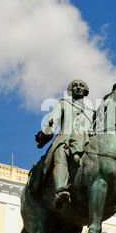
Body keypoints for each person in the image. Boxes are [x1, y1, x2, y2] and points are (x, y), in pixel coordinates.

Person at [35, 79, 94, 209]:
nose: (78, 87)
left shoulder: (92, 113)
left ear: (86, 91)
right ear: (70, 90)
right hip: (64, 140)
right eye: (75, 86)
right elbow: (52, 122)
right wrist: (44, 134)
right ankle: (60, 190)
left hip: (85, 144)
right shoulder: (62, 104)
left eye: (81, 85)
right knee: (60, 158)